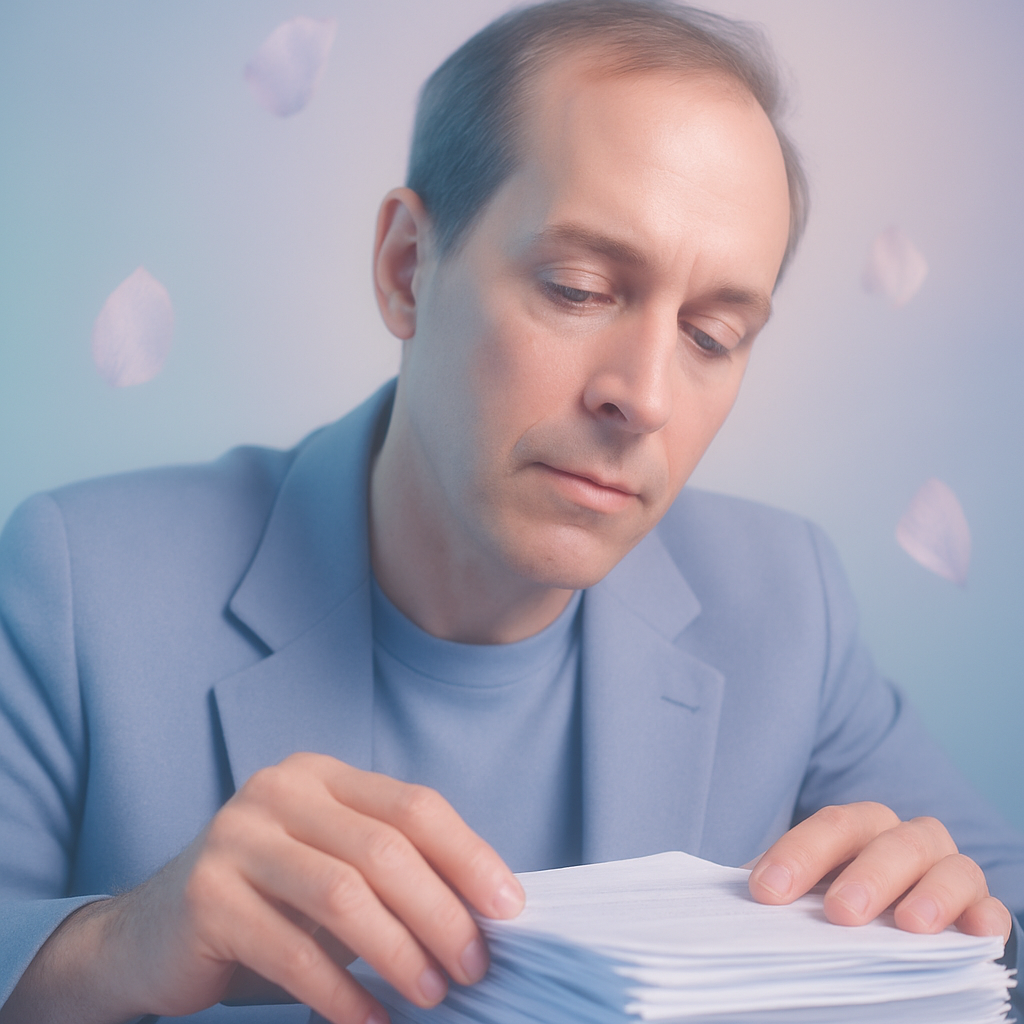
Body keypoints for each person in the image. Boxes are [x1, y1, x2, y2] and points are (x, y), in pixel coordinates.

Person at [1, 2, 1022, 1022]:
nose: (644, 396)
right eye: (577, 288)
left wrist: (954, 918)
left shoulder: (786, 599)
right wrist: (109, 945)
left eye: (713, 334)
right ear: (407, 268)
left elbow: (1001, 912)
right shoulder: (77, 582)